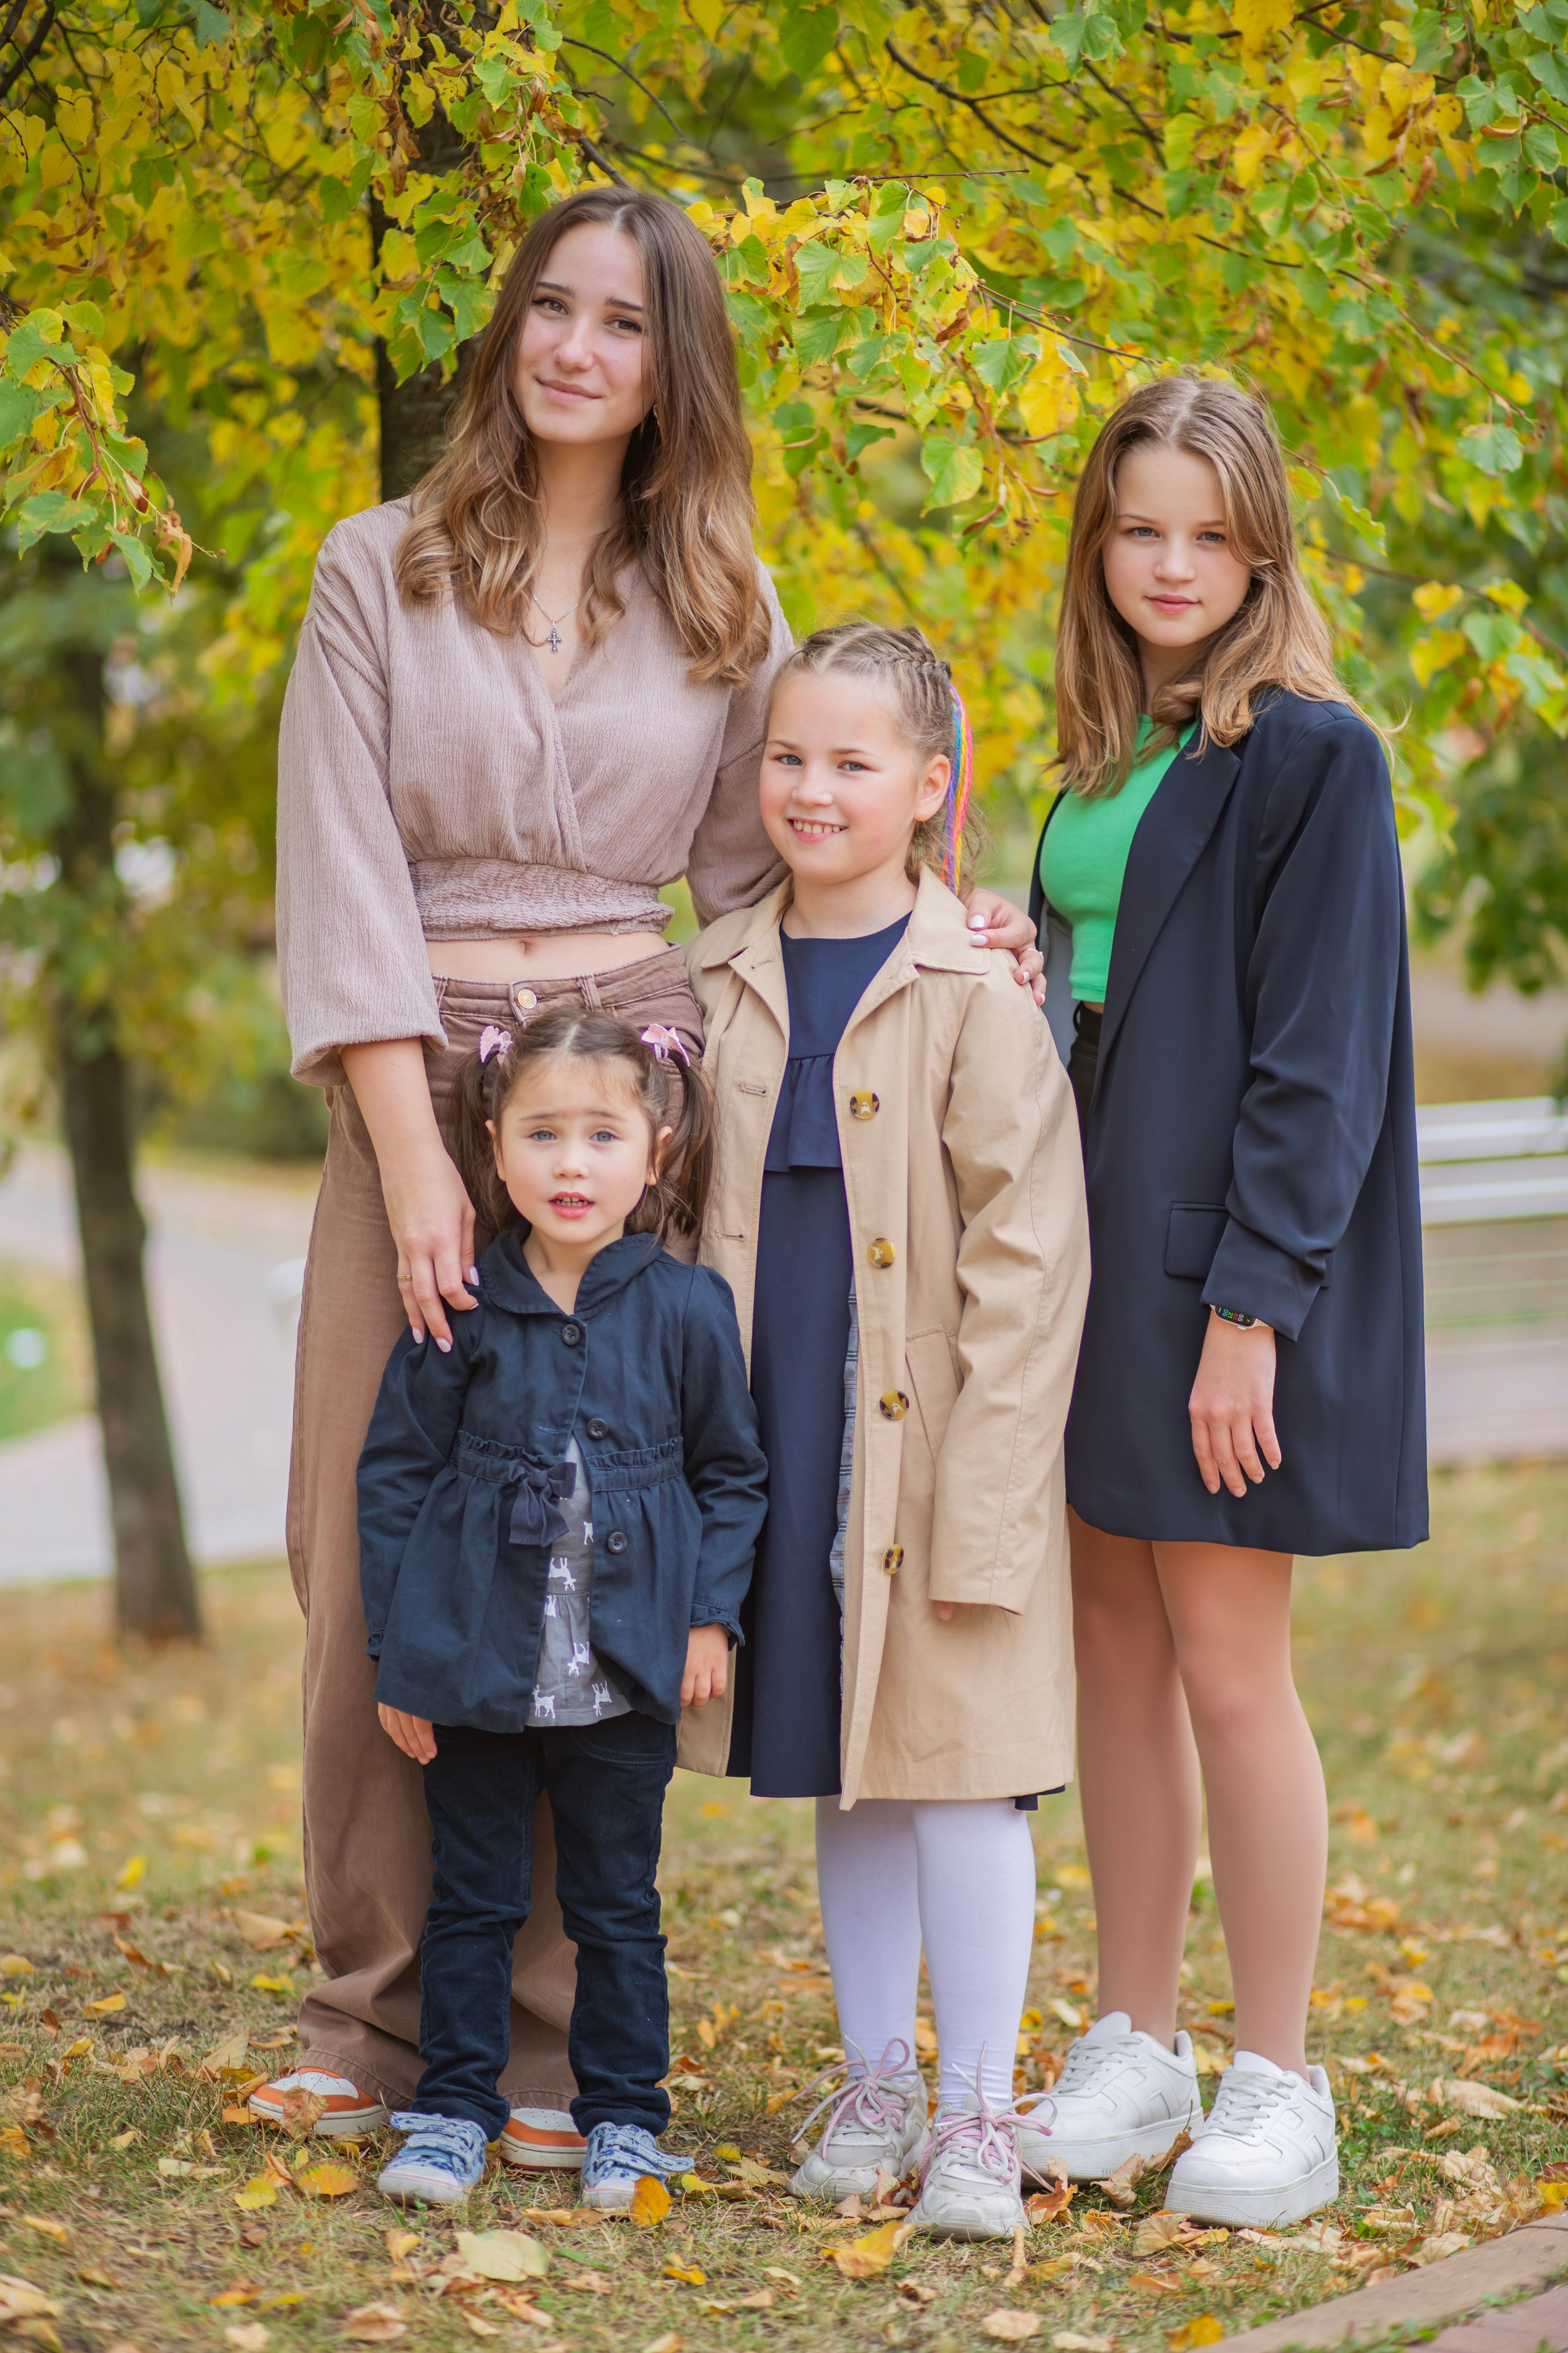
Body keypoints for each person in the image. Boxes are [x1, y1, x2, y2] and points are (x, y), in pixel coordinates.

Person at [263, 184, 1039, 2155]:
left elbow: (775, 869)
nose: (575, 347)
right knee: (376, 1553)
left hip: (637, 1092)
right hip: (418, 1088)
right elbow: (340, 879)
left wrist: (960, 929)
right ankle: (371, 2017)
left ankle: (536, 2037)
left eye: (621, 320)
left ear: (669, 360)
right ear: (510, 331)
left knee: (589, 1546)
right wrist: (416, 1165)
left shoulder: (727, 608)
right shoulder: (378, 570)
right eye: (550, 306)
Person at [1020, 376, 1426, 2227]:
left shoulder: (1315, 756)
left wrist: (1252, 1311)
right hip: (1081, 1277)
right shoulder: (1104, 760)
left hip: (1215, 1288)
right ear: (1098, 540)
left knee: (1229, 1670)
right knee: (1109, 1652)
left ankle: (1280, 2078)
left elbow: (1317, 1064)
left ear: (1261, 548)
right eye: (1138, 527)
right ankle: (1138, 2037)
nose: (1170, 564)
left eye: (1208, 532)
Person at [684, 624, 1090, 2240]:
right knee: (840, 1765)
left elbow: (1031, 1253)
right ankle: (877, 2081)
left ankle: (982, 2110)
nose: (813, 787)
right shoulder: (718, 973)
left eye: (854, 763)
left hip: (933, 1440)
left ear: (933, 786)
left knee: (963, 1770)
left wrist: (988, 1495)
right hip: (775, 1415)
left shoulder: (972, 982)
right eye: (789, 756)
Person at [358, 1007, 766, 2208]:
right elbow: (396, 1480)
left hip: (624, 1674)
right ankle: (450, 2109)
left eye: (601, 1134)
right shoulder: (465, 1303)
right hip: (476, 1670)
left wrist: (707, 1616)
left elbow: (731, 1476)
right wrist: (402, 1656)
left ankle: (625, 2119)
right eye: (542, 1134)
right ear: (493, 1147)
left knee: (612, 1909)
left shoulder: (689, 1309)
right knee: (473, 1898)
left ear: (658, 1148)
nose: (571, 1163)